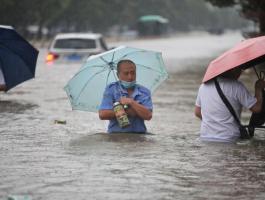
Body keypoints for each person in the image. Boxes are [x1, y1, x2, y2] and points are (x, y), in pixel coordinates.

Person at [195, 68, 265, 142]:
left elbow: (197, 112)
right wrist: (258, 88)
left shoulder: (203, 87)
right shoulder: (236, 86)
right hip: (229, 138)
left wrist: (215, 122)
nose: (240, 73)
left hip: (205, 137)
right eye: (240, 70)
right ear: (233, 70)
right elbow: (257, 108)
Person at [98, 59, 153, 133]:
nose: (130, 77)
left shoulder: (144, 91)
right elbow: (102, 114)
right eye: (126, 73)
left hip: (139, 136)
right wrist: (125, 112)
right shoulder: (111, 89)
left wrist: (131, 102)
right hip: (116, 136)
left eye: (133, 73)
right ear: (118, 75)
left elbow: (148, 115)